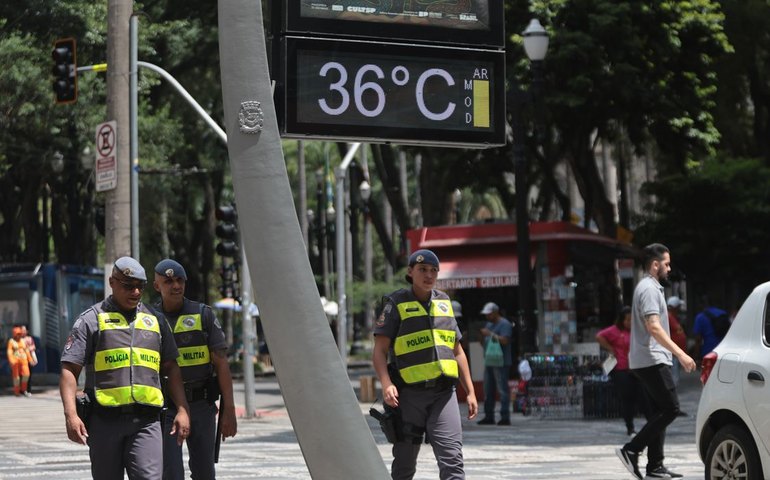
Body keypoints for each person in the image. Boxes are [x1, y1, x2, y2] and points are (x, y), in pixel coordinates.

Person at [59, 256, 191, 480]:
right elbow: (69, 369)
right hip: (104, 421)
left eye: (140, 286)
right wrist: (71, 415)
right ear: (112, 282)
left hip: (146, 422)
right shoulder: (91, 320)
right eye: (129, 286)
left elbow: (171, 367)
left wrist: (182, 409)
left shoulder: (156, 321)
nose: (136, 292)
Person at [372, 249, 478, 480]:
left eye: (433, 270)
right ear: (410, 272)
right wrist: (386, 383)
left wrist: (469, 391)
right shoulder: (395, 303)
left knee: (453, 462)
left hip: (443, 394)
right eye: (422, 270)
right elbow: (379, 351)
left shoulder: (444, 302)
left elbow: (457, 351)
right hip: (408, 396)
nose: (428, 275)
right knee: (404, 466)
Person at [616, 243, 696, 480]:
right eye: (667, 264)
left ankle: (655, 466)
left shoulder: (649, 288)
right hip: (652, 359)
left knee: (658, 412)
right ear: (655, 264)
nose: (669, 268)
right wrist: (680, 354)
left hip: (645, 359)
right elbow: (654, 327)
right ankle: (632, 450)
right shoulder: (649, 289)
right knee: (671, 409)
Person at [153, 258, 238, 480]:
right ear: (157, 286)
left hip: (202, 405)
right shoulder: (150, 319)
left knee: (204, 473)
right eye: (168, 281)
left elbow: (221, 364)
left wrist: (229, 408)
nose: (176, 286)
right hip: (166, 408)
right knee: (170, 473)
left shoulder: (203, 314)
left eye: (180, 280)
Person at [596, 306, 644, 436]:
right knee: (627, 398)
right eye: (627, 320)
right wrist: (610, 348)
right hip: (621, 369)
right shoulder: (614, 331)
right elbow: (599, 336)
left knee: (640, 396)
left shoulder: (636, 331)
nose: (629, 322)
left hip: (635, 367)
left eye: (631, 320)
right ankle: (630, 426)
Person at [476, 302, 513, 426]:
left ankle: (505, 416)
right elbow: (485, 341)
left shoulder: (505, 324)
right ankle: (489, 416)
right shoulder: (489, 324)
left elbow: (505, 340)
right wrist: (482, 337)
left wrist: (490, 334)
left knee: (502, 389)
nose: (487, 316)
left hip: (501, 362)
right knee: (488, 389)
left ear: (496, 312)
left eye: (489, 314)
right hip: (489, 361)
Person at [665, 297, 687, 385]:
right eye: (678, 307)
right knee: (673, 377)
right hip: (672, 352)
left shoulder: (673, 317)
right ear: (675, 308)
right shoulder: (667, 317)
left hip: (675, 352)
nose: (680, 309)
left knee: (674, 376)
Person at [6, 325, 33, 397]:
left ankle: (24, 390)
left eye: (20, 334)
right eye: (17, 334)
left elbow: (27, 351)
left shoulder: (23, 341)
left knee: (26, 375)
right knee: (16, 378)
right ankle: (17, 392)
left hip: (24, 361)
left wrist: (30, 359)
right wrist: (11, 360)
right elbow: (9, 351)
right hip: (15, 362)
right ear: (14, 334)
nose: (19, 335)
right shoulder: (11, 341)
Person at [21, 325, 38, 393]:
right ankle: (22, 389)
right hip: (22, 359)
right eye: (22, 330)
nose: (23, 332)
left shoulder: (30, 338)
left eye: (24, 330)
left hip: (29, 359)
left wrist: (29, 348)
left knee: (29, 375)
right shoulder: (19, 339)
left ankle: (28, 389)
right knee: (22, 375)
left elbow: (34, 346)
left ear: (27, 331)